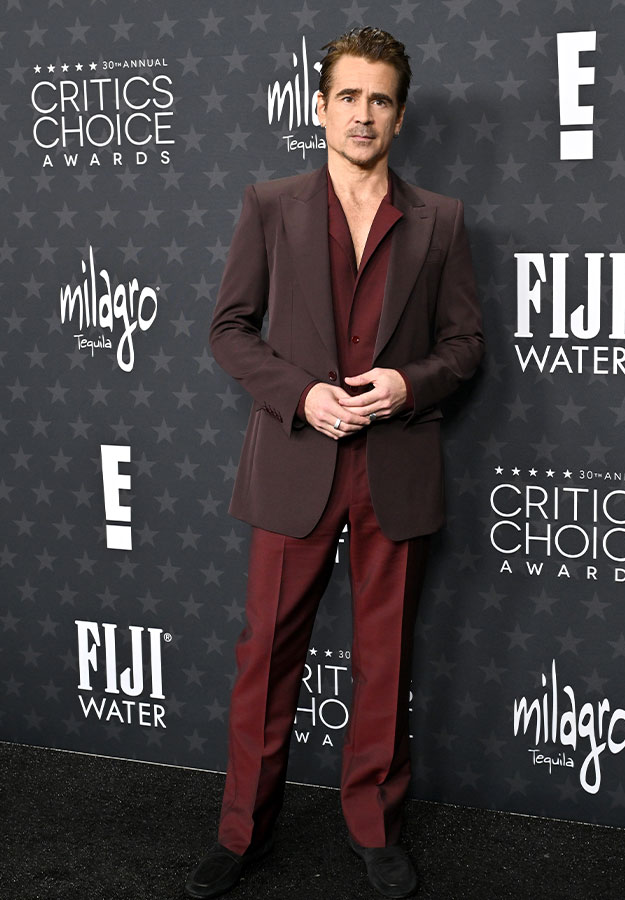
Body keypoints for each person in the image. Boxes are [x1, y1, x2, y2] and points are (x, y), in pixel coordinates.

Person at [184, 25, 484, 900]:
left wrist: (407, 382)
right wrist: (299, 395)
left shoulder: (442, 220)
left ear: (400, 116)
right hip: (296, 460)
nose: (363, 114)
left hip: (395, 462)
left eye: (380, 99)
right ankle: (243, 833)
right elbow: (228, 330)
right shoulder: (271, 205)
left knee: (383, 660)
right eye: (348, 97)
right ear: (320, 108)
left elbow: (466, 346)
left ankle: (375, 830)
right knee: (266, 654)